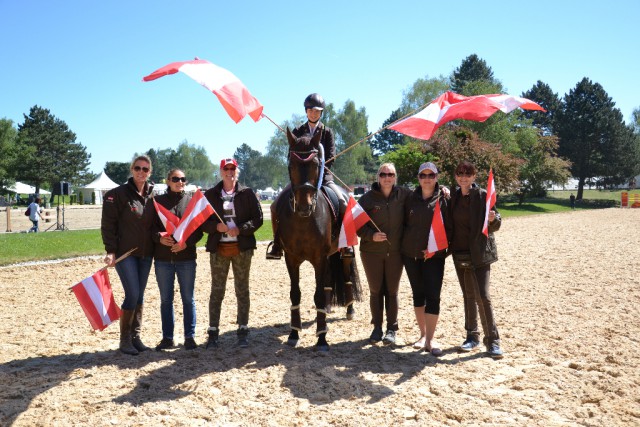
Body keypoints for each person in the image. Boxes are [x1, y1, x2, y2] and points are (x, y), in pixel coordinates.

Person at [266, 93, 353, 260]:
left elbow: (331, 155)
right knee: (275, 205)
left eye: (317, 111)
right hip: (300, 179)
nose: (314, 114)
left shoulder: (327, 132)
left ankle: (345, 244)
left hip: (323, 178)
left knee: (343, 202)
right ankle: (277, 244)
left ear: (321, 113)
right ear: (306, 111)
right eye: (311, 110)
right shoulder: (298, 131)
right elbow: (290, 156)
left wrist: (319, 167)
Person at [202, 158, 263, 349]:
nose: (229, 171)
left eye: (232, 168)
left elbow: (258, 218)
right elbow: (202, 222)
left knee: (242, 290)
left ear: (237, 171)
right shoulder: (211, 194)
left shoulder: (247, 193)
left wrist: (242, 229)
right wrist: (216, 226)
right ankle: (213, 332)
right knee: (217, 291)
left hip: (242, 249)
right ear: (220, 171)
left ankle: (243, 330)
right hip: (219, 249)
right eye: (226, 168)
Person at [446, 160, 504, 359]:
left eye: (467, 174)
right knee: (468, 296)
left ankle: (493, 341)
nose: (463, 177)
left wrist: (492, 219)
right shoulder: (452, 197)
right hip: (459, 253)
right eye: (460, 173)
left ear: (473, 177)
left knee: (483, 296)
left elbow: (497, 223)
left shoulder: (482, 196)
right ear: (456, 176)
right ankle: (472, 336)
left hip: (480, 253)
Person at [101, 155, 155, 355]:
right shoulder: (118, 194)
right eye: (138, 168)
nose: (141, 172)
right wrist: (110, 251)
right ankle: (124, 340)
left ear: (150, 172)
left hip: (146, 254)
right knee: (132, 293)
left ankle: (135, 337)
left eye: (145, 169)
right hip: (126, 255)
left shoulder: (152, 194)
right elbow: (108, 225)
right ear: (132, 169)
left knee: (139, 295)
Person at [357, 163, 411, 345]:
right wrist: (371, 235)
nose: (387, 177)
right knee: (375, 290)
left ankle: (391, 329)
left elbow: (424, 197)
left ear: (395, 177)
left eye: (391, 174)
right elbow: (356, 224)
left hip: (396, 252)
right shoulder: (366, 199)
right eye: (383, 174)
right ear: (377, 177)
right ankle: (377, 328)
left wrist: (441, 188)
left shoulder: (404, 195)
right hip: (371, 252)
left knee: (392, 291)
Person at [152, 169, 203, 351]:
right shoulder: (156, 203)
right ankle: (168, 337)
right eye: (175, 179)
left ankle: (190, 336)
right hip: (163, 259)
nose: (179, 182)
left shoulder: (192, 202)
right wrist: (159, 237)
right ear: (168, 181)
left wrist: (186, 244)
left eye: (182, 179)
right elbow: (149, 229)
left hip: (186, 258)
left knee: (188, 299)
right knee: (166, 300)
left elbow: (199, 231)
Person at [401, 162, 449, 355]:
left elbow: (449, 230)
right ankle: (422, 335)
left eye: (431, 175)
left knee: (433, 297)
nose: (427, 179)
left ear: (436, 178)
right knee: (418, 295)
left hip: (434, 257)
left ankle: (430, 339)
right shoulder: (409, 198)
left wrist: (435, 251)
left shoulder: (444, 198)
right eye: (423, 175)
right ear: (418, 178)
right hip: (410, 255)